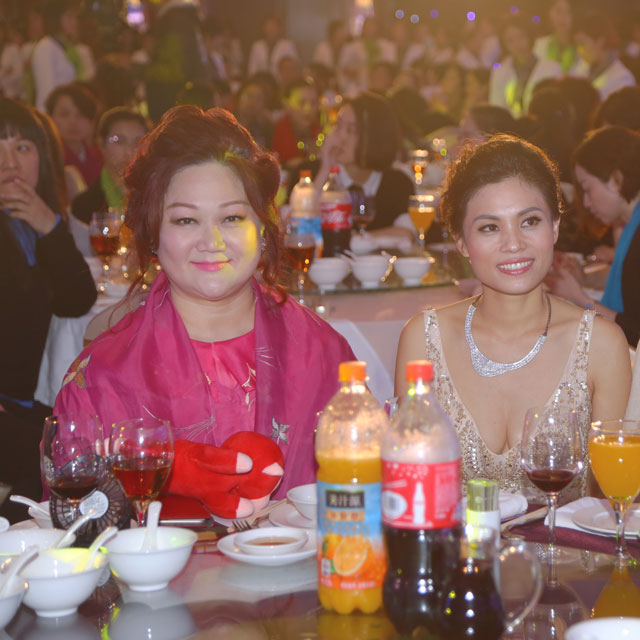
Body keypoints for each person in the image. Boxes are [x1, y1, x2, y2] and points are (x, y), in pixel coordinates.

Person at [53, 106, 355, 508]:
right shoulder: (103, 377)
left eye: (232, 218)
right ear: (153, 235)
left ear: (263, 229)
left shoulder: (324, 354)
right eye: (185, 221)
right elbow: (72, 520)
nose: (211, 241)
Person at [395, 135, 630, 498]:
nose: (514, 244)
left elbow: (608, 504)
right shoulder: (424, 340)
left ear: (554, 226)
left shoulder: (601, 345)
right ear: (461, 241)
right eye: (489, 227)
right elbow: (407, 487)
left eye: (530, 221)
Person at [0, 98, 97, 522]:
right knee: (61, 460)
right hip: (10, 408)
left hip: (32, 402)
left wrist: (50, 225)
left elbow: (77, 299)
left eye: (22, 148)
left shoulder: (30, 221)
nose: (10, 163)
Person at [546, 126, 640, 348]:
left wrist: (580, 299)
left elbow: (635, 331)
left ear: (616, 179)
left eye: (587, 188)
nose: (586, 203)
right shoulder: (630, 225)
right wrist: (584, 280)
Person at [314, 92, 414, 235]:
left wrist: (355, 241)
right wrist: (324, 171)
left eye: (351, 130)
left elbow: (407, 233)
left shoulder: (397, 184)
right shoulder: (310, 174)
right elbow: (298, 227)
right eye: (338, 125)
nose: (341, 136)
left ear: (376, 138)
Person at [71, 107, 148, 224]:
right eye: (119, 141)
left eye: (138, 141)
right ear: (101, 144)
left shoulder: (159, 196)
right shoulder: (84, 205)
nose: (129, 151)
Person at [489, 16, 562, 118]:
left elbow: (555, 105)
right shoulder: (500, 72)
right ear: (504, 44)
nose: (517, 44)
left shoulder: (552, 69)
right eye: (510, 40)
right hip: (510, 126)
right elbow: (496, 109)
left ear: (529, 35)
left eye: (520, 37)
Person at [31, 0, 95, 111]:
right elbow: (47, 94)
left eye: (76, 17)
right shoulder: (46, 47)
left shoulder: (72, 49)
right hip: (57, 115)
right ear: (55, 20)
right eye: (69, 17)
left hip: (74, 113)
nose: (75, 22)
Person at [45, 82, 103, 188]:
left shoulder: (100, 157)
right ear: (50, 118)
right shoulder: (47, 157)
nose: (73, 122)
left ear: (91, 121)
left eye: (81, 115)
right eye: (64, 114)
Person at [573, 11, 635, 100]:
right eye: (577, 45)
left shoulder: (623, 79)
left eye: (582, 44)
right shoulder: (580, 70)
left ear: (600, 41)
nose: (579, 50)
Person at [271, 79, 322, 171]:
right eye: (301, 103)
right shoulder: (272, 132)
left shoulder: (321, 133)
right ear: (286, 105)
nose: (308, 109)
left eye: (313, 103)